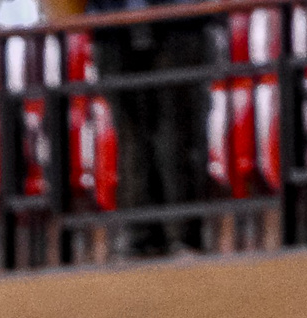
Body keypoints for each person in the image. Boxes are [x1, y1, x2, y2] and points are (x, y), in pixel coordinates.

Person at [86, 0, 214, 256]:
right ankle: (141, 236)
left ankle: (183, 236)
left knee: (176, 133)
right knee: (131, 136)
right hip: (113, 27)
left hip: (179, 21)